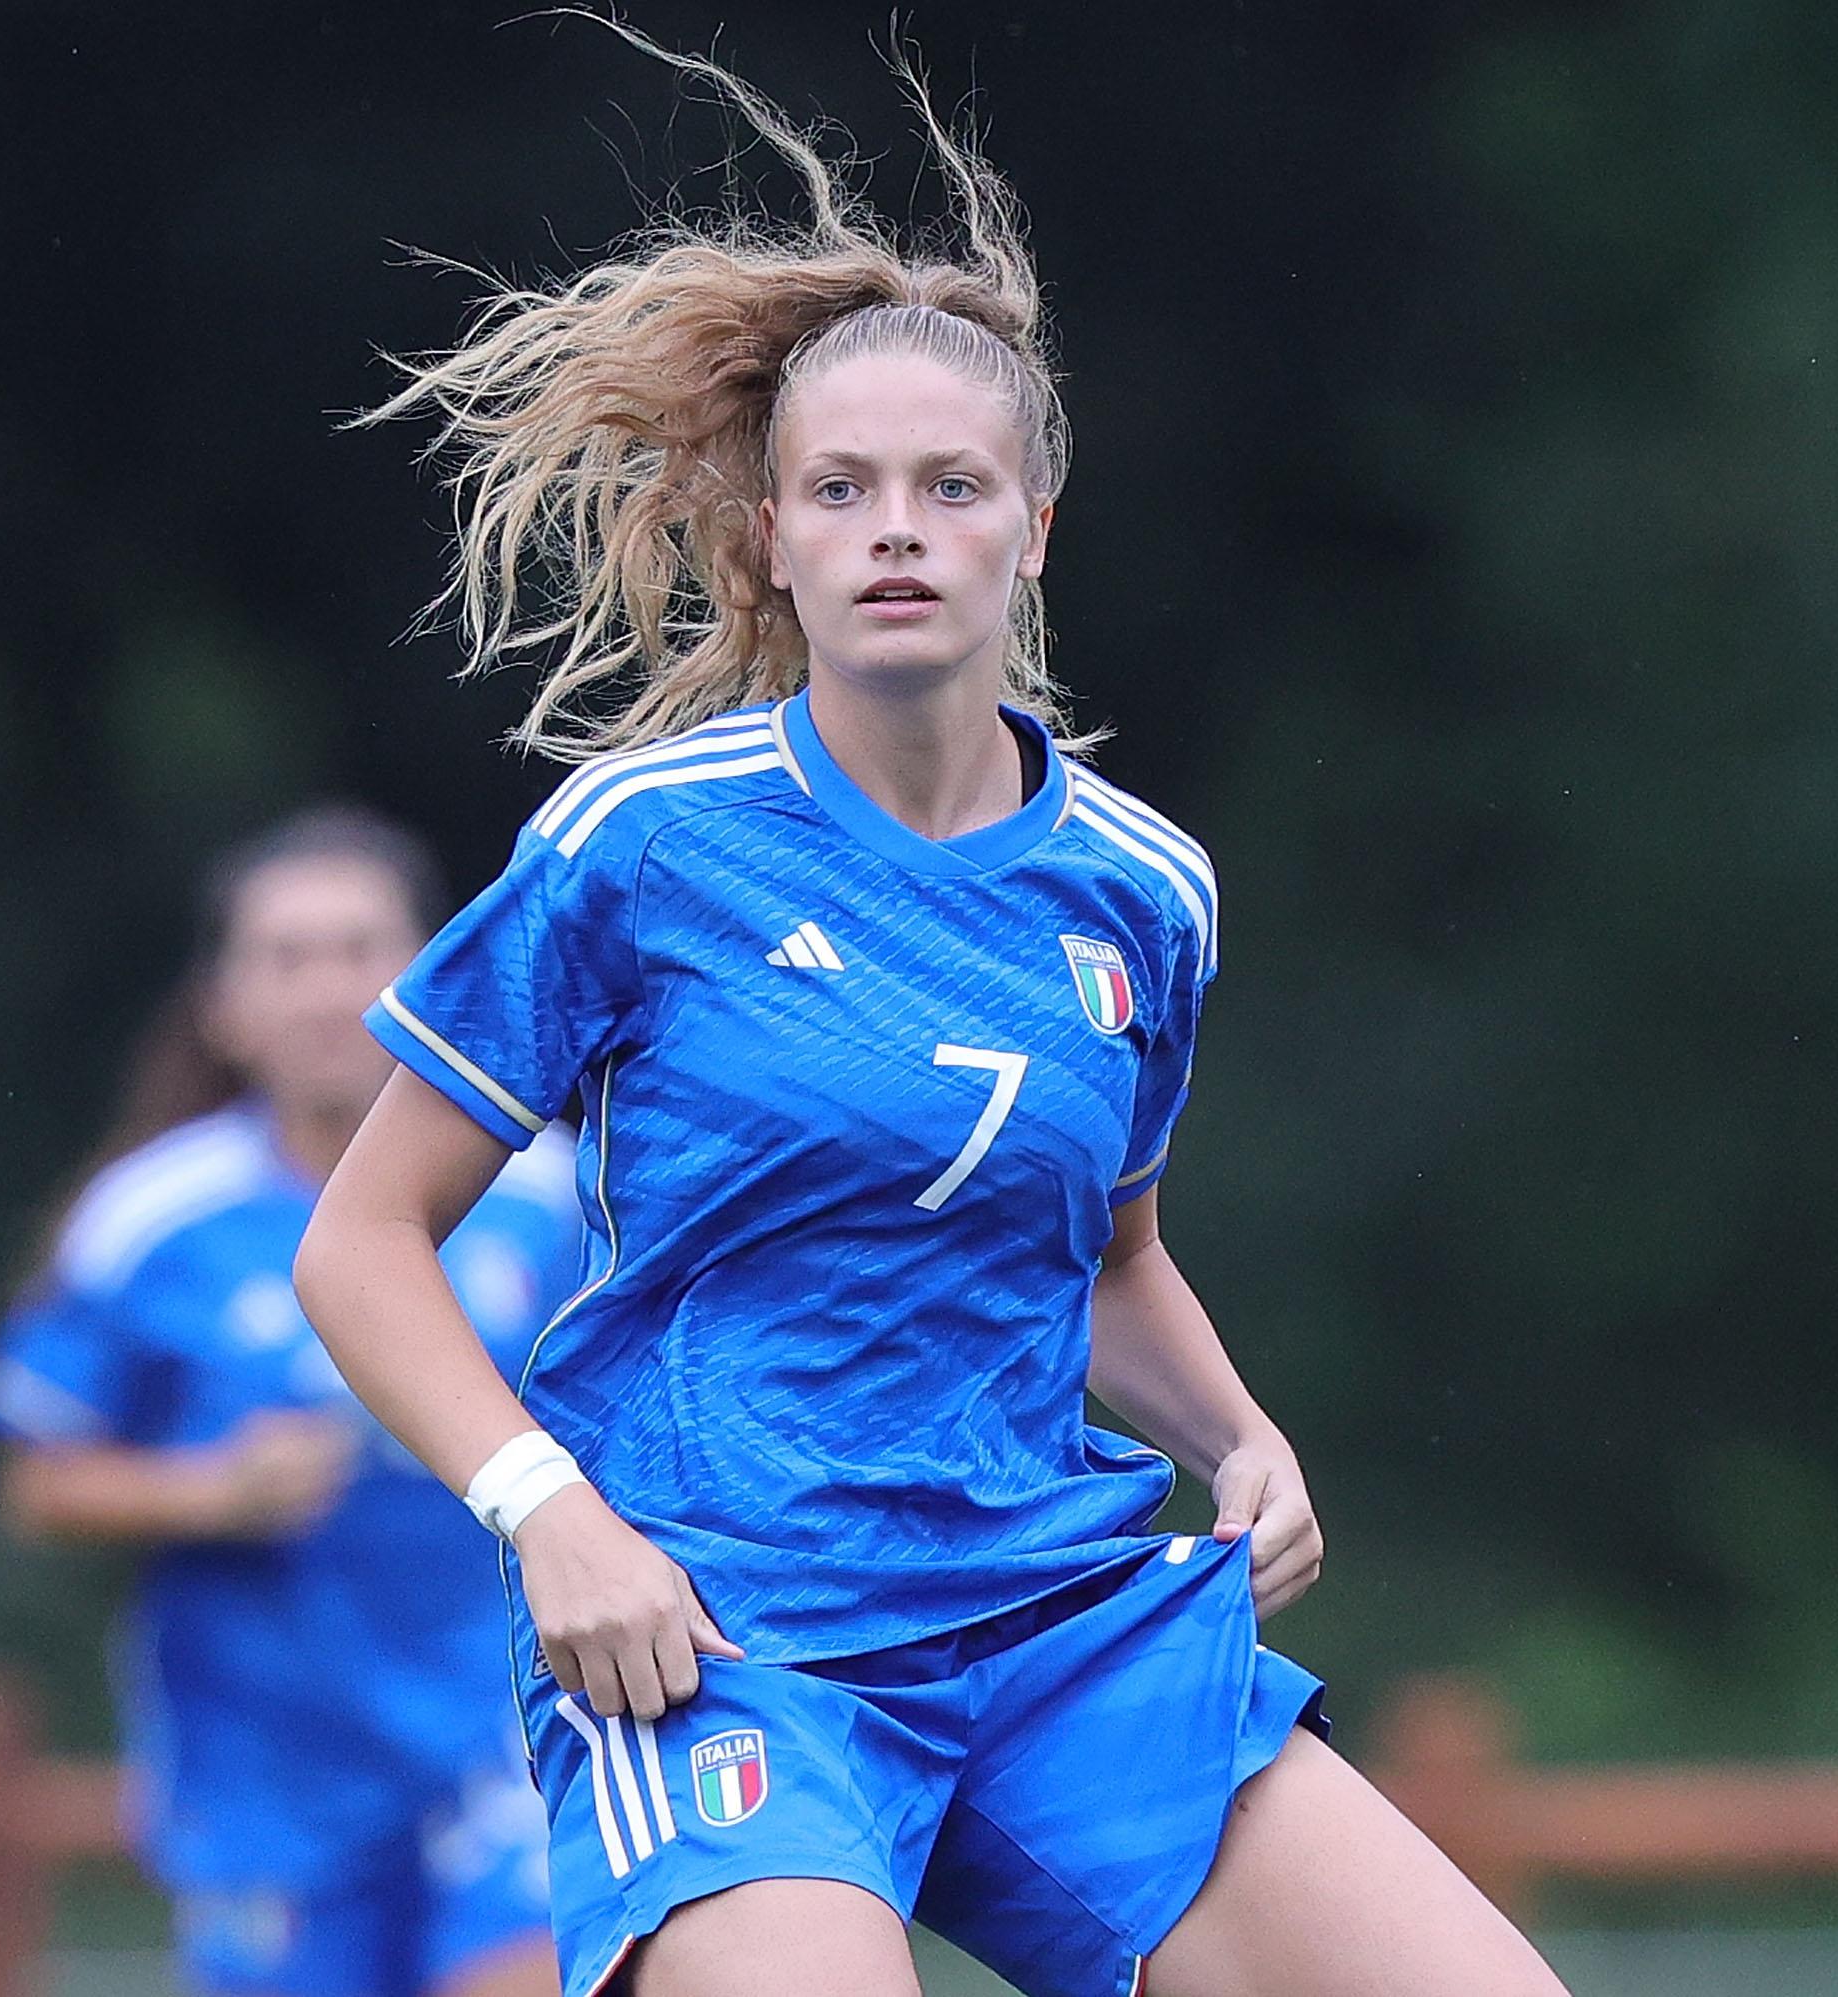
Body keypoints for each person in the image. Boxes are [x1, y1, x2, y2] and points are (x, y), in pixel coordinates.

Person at [293, 35, 1573, 1997]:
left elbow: (1107, 1253)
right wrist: (547, 1509)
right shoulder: (644, 847)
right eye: (843, 488)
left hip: (1062, 1623)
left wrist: (1240, 1430)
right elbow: (360, 1244)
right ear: (784, 539)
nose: (896, 524)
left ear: (1032, 529)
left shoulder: (1145, 890)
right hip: (731, 1631)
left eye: (949, 484)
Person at [0, 806, 575, 1997]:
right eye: (285, 957)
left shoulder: (557, 1201)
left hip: (511, 1744)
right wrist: (209, 1491)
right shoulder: (148, 1221)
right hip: (266, 1778)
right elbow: (35, 1481)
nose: (323, 990)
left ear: (433, 971)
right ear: (224, 1003)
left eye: (359, 948)